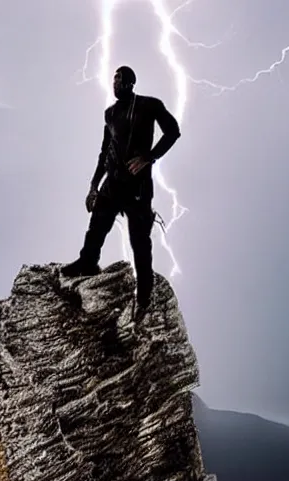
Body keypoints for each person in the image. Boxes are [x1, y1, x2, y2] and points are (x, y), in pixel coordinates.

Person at [61, 65, 181, 313]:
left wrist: (149, 157)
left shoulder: (150, 105)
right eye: (113, 79)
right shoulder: (110, 114)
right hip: (112, 184)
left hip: (137, 187)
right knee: (96, 228)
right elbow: (105, 151)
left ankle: (145, 294)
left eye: (118, 78)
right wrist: (94, 186)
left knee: (139, 241)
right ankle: (87, 263)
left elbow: (173, 131)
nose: (114, 83)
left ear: (130, 82)